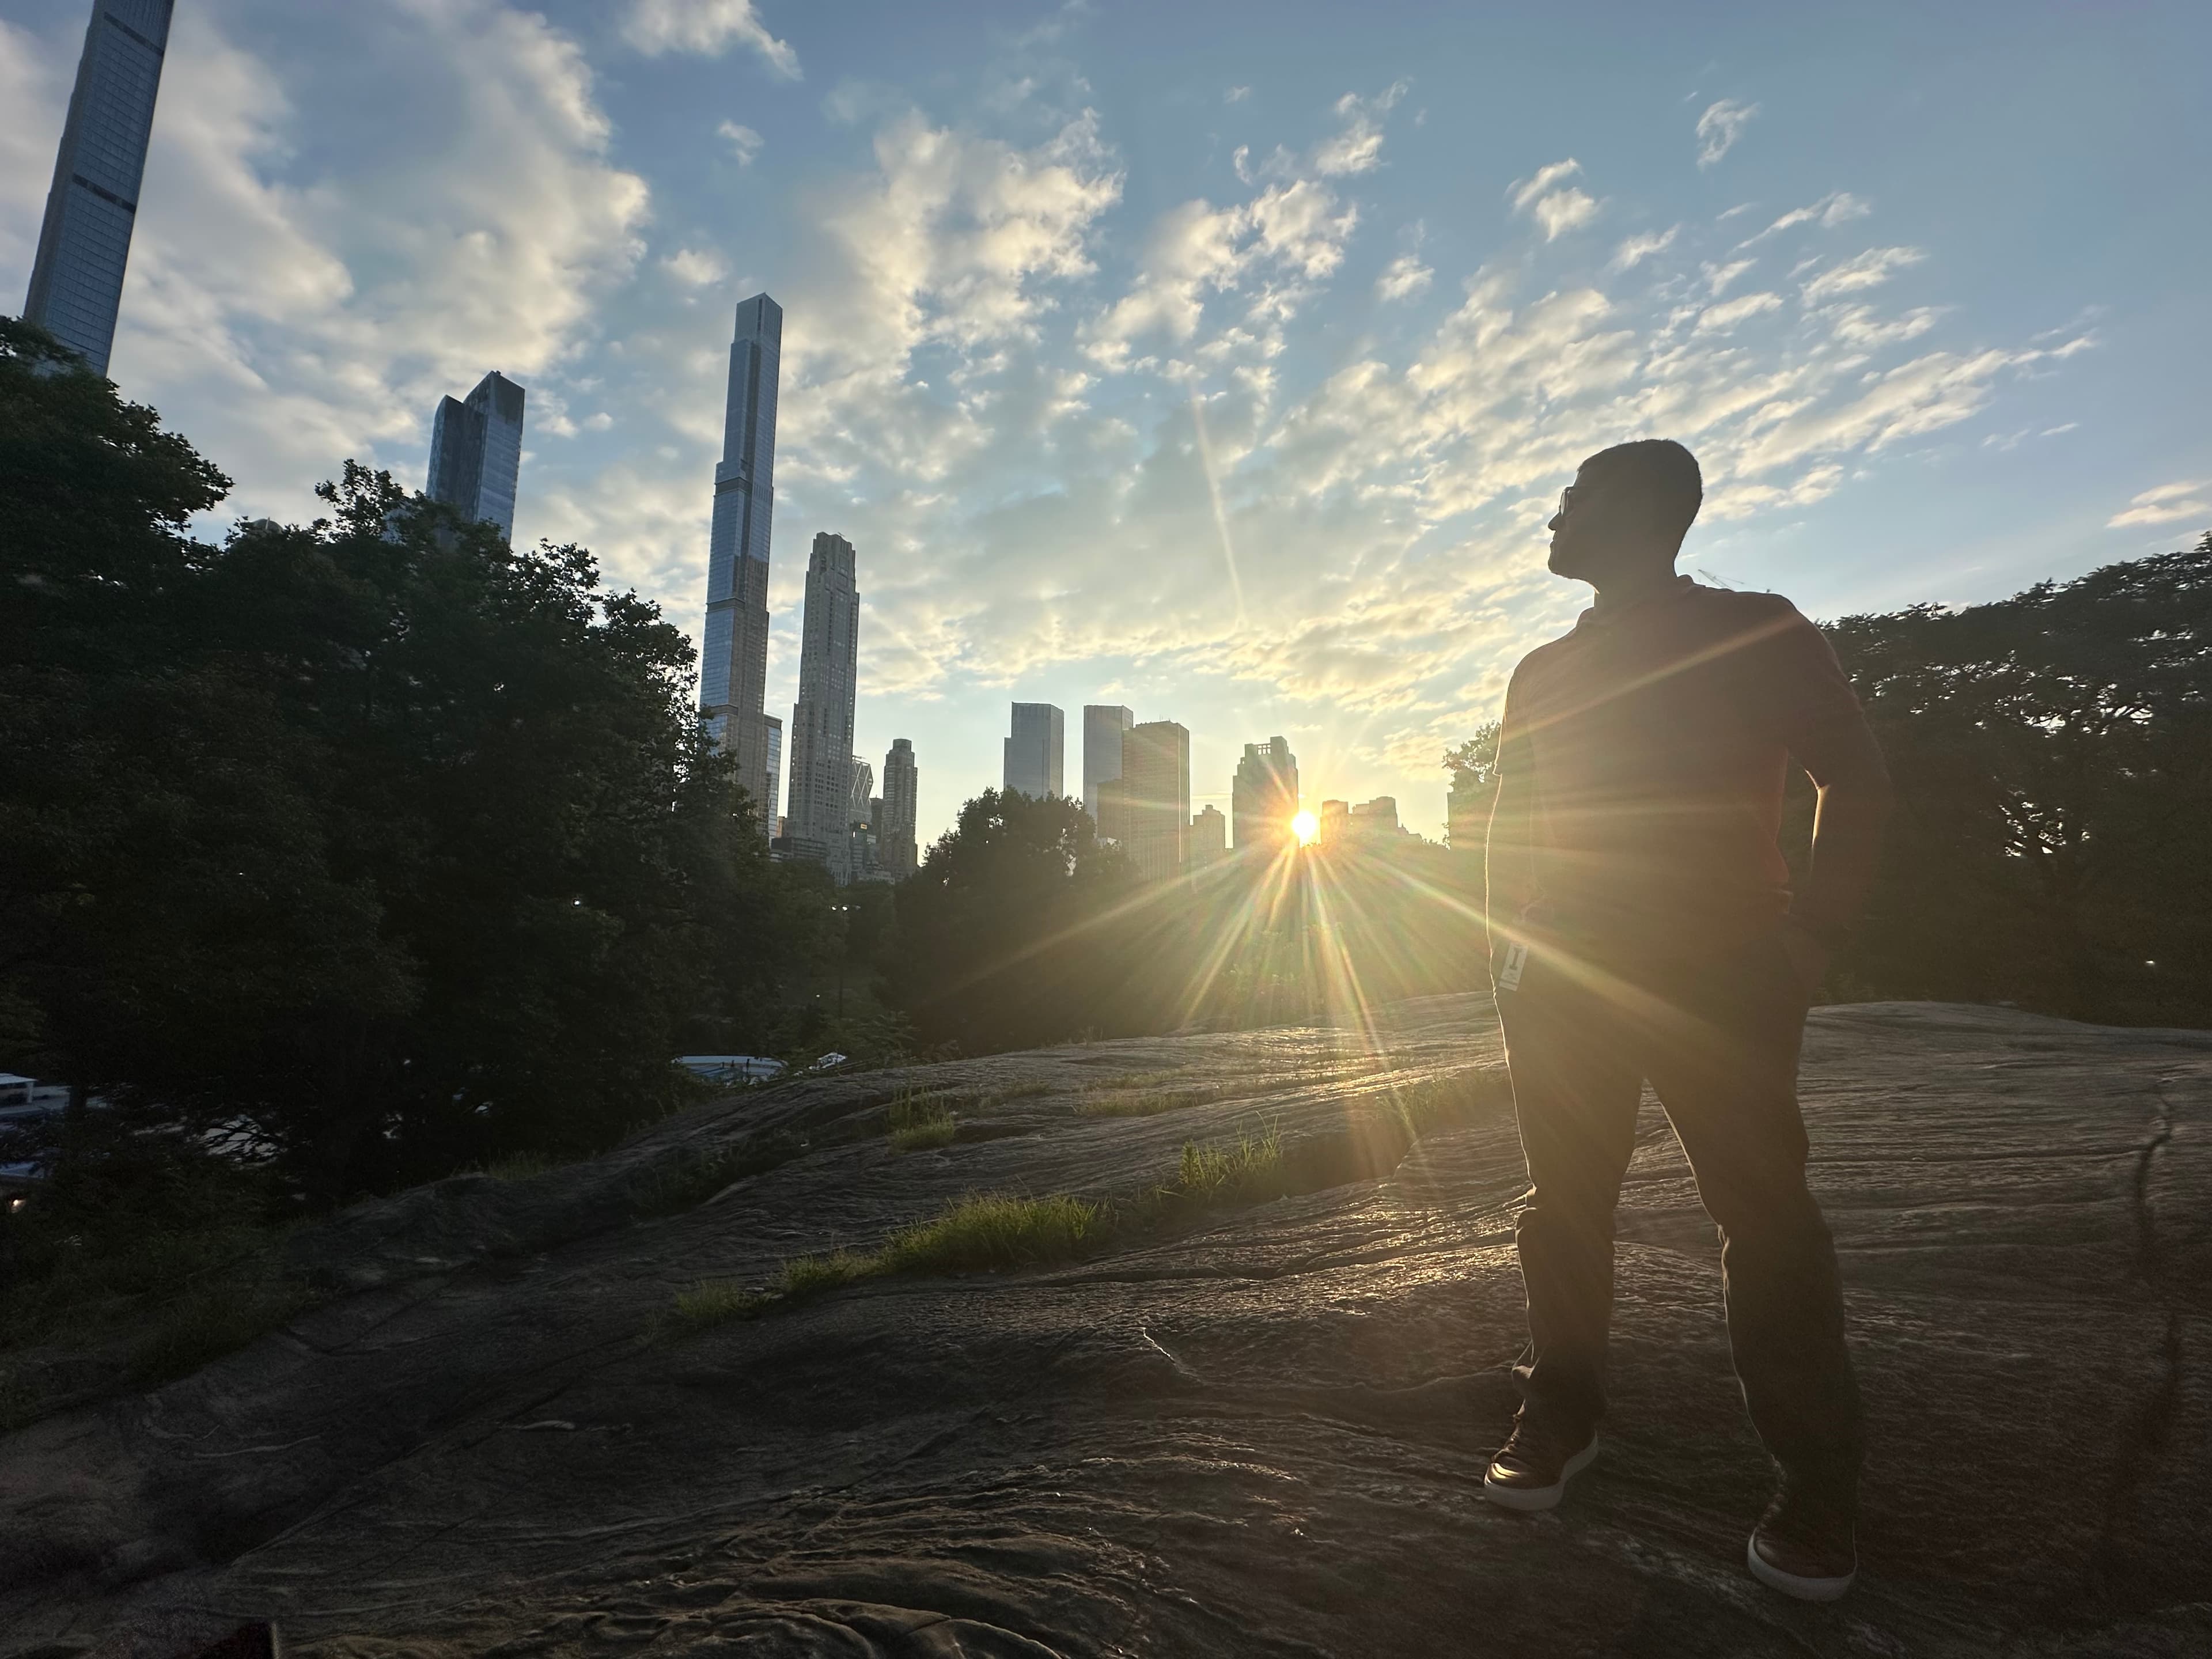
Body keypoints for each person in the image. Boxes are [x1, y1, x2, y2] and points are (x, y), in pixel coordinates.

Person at [1479, 439, 1893, 1603]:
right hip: (1564, 977)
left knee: (1766, 1221)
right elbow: (1511, 811)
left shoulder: (1759, 627)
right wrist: (1505, 945)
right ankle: (1564, 1408)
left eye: (1573, 498)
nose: (1552, 516)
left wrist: (1810, 937)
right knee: (1563, 1204)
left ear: (1645, 513)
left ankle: (1818, 1479)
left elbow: (1855, 780)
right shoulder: (1541, 670)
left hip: (1725, 970)